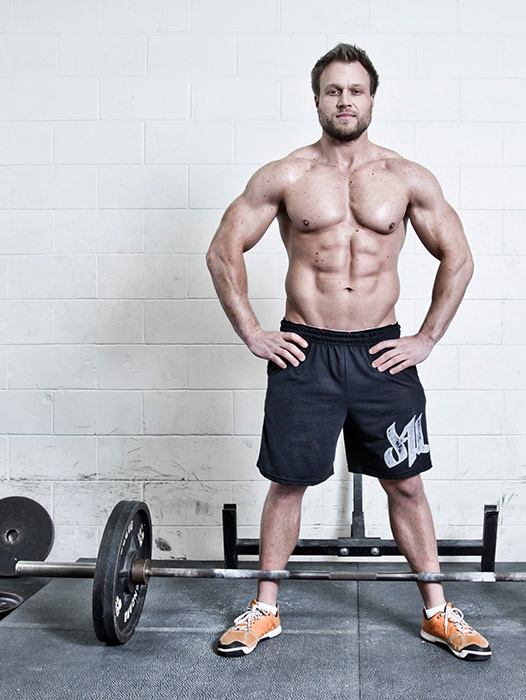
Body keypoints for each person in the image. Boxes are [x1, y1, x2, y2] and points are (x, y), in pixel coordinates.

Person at [205, 43, 486, 661]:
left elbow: (458, 258)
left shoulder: (407, 177)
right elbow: (223, 251)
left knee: (406, 485)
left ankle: (436, 611)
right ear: (317, 99)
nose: (345, 100)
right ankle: (265, 610)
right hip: (305, 350)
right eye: (333, 90)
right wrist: (253, 333)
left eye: (355, 90)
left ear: (372, 99)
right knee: (288, 483)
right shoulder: (286, 175)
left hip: (382, 353)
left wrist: (426, 338)